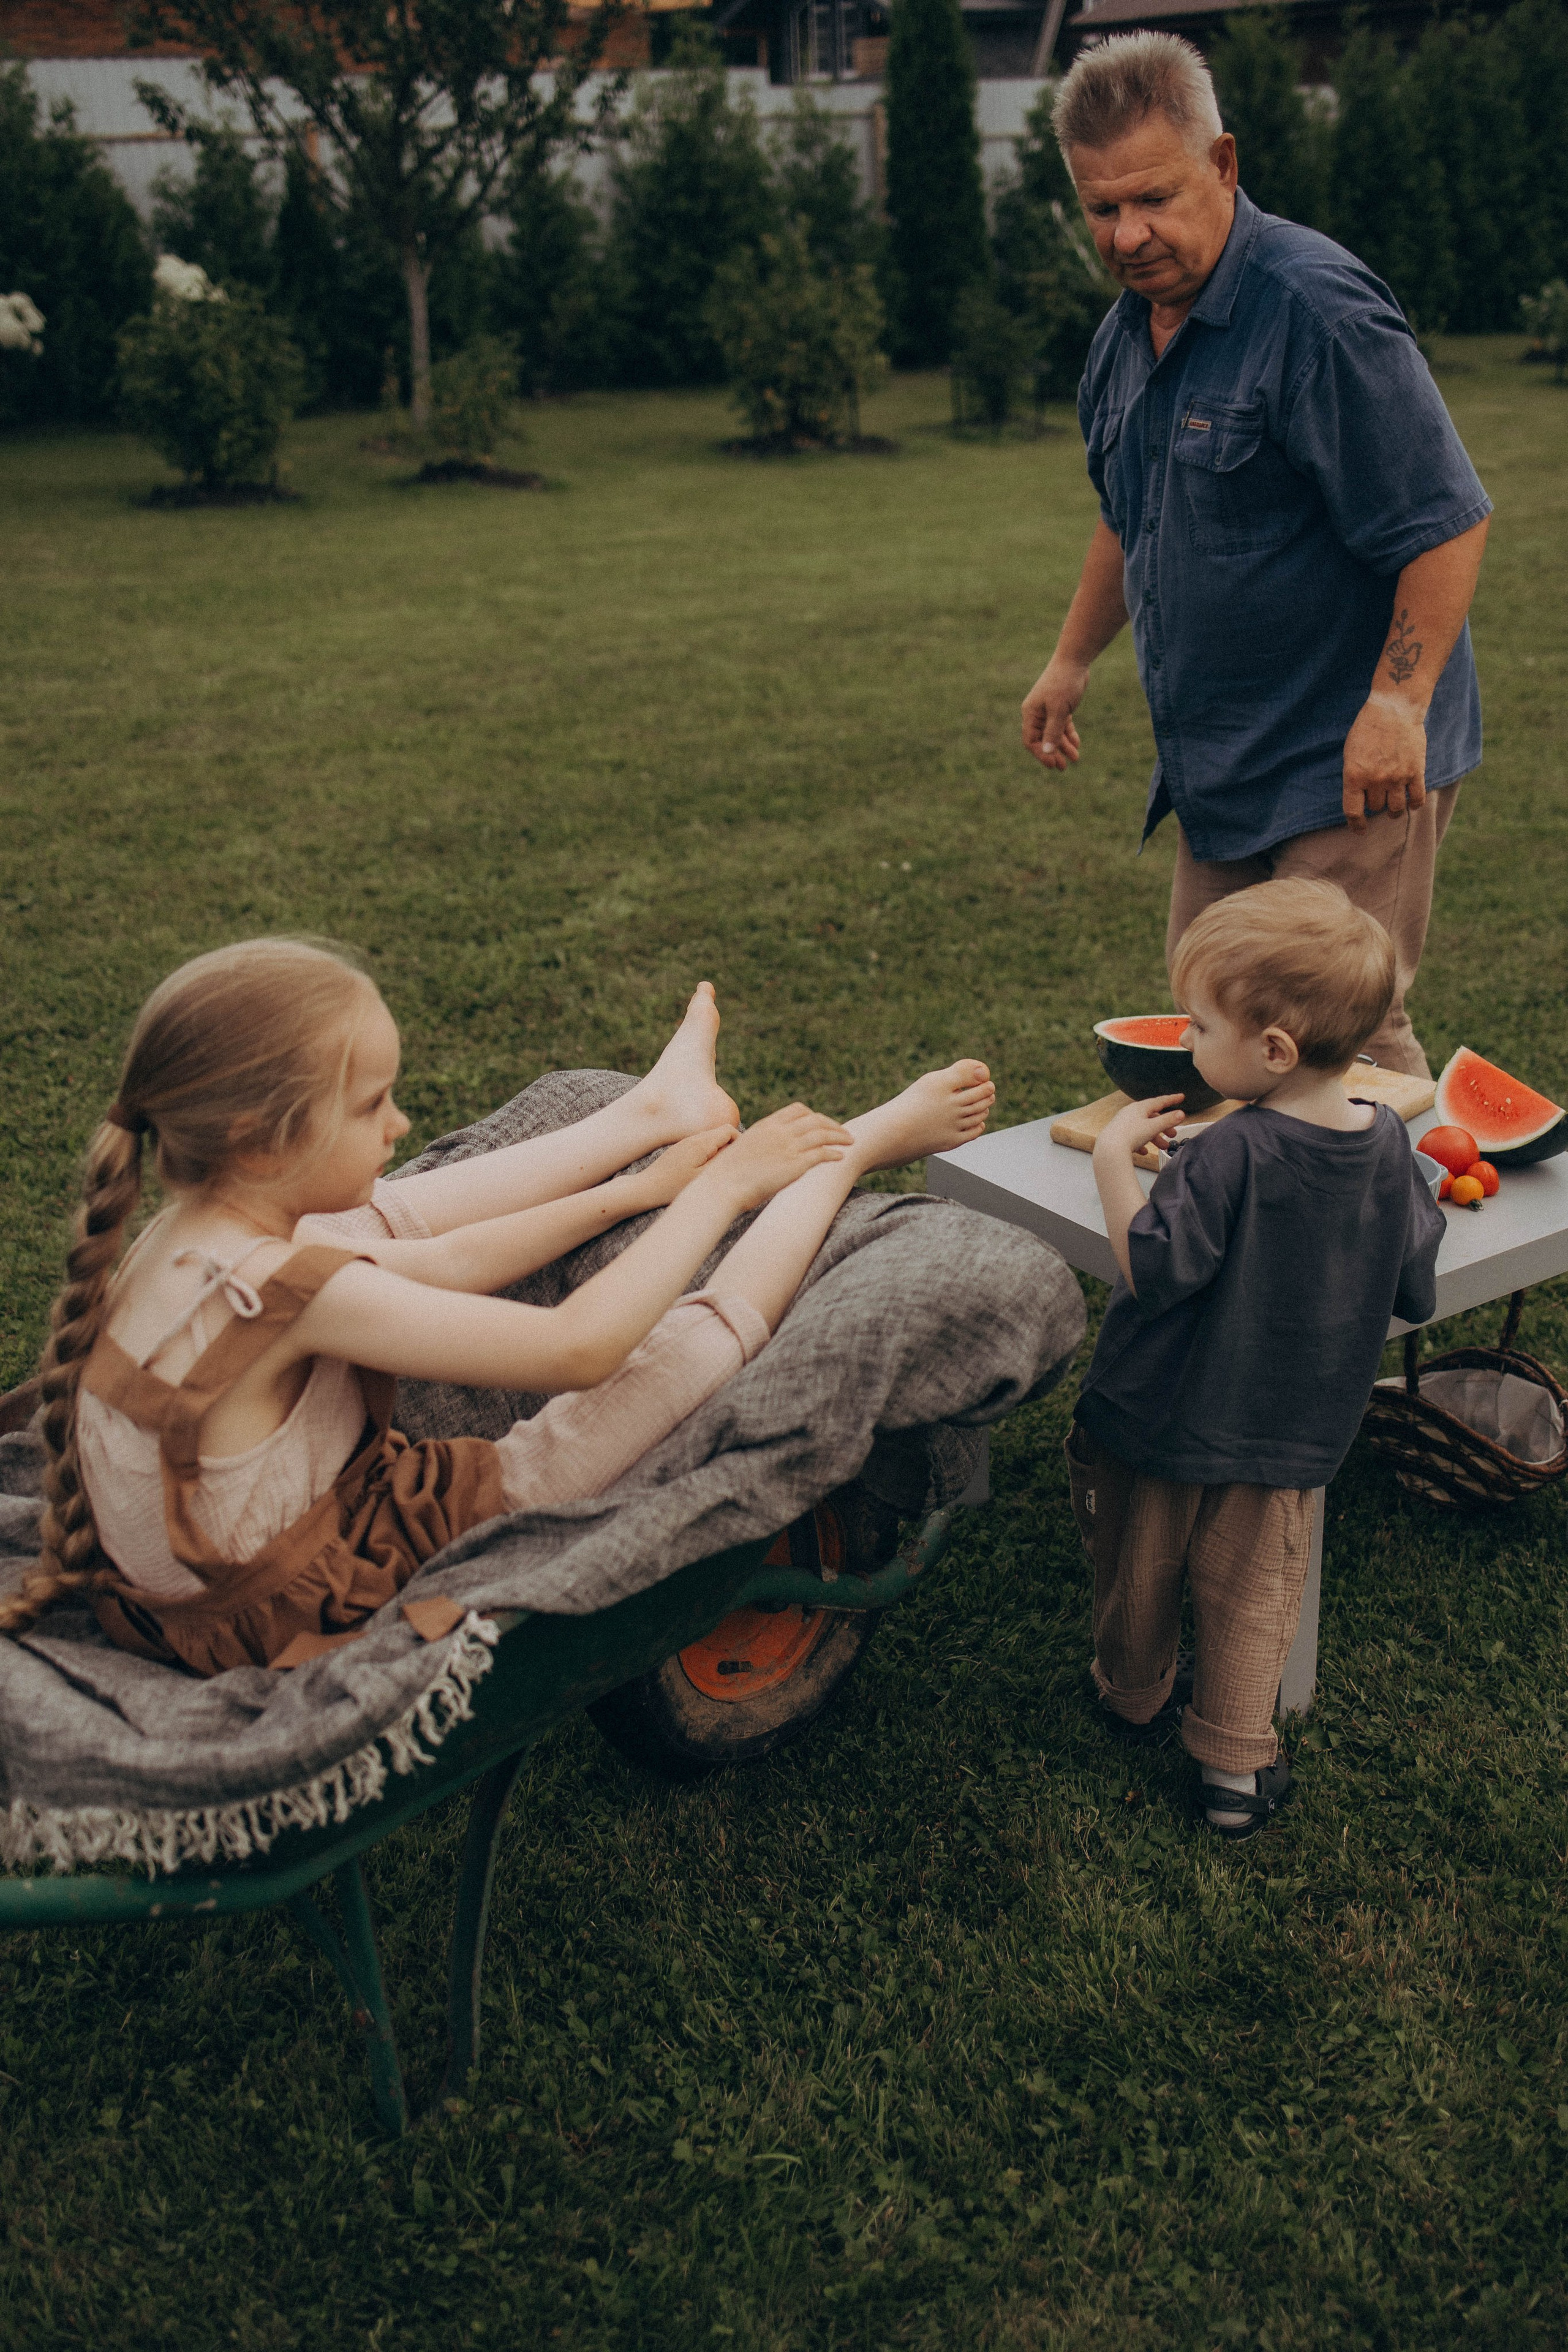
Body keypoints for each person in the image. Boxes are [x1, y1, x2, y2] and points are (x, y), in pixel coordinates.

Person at [0, 939, 995, 1676]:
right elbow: (583, 1348)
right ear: (262, 1138)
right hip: (291, 1601)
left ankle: (649, 1118)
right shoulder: (286, 1290)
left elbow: (453, 1256)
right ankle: (852, 1149)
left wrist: (635, 1194)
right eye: (371, 1106)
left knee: (374, 1223)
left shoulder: (177, 1243)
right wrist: (723, 1191)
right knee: (628, 1394)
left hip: (202, 1587)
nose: (400, 1123)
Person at [1020, 31, 1492, 1079]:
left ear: (1223, 165)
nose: (1129, 234)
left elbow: (1446, 520)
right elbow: (1128, 514)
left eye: (1155, 198)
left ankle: (1396, 1232)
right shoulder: (1125, 338)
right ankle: (1250, 1232)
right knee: (1220, 1023)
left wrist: (1397, 707)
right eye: (1103, 209)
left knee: (1333, 1034)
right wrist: (1069, 661)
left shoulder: (1317, 312)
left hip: (1347, 756)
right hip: (1223, 763)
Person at [1066, 879, 1443, 1838]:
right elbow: (1413, 1285)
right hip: (1289, 1432)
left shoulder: (1223, 1158)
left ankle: (1134, 1694)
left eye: (1198, 1025)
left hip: (1161, 1418)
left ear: (1272, 1050)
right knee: (1251, 1596)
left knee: (1138, 1569)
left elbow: (1156, 1271)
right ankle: (1234, 1773)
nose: (1188, 1043)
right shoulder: (1391, 1143)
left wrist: (1117, 1162)